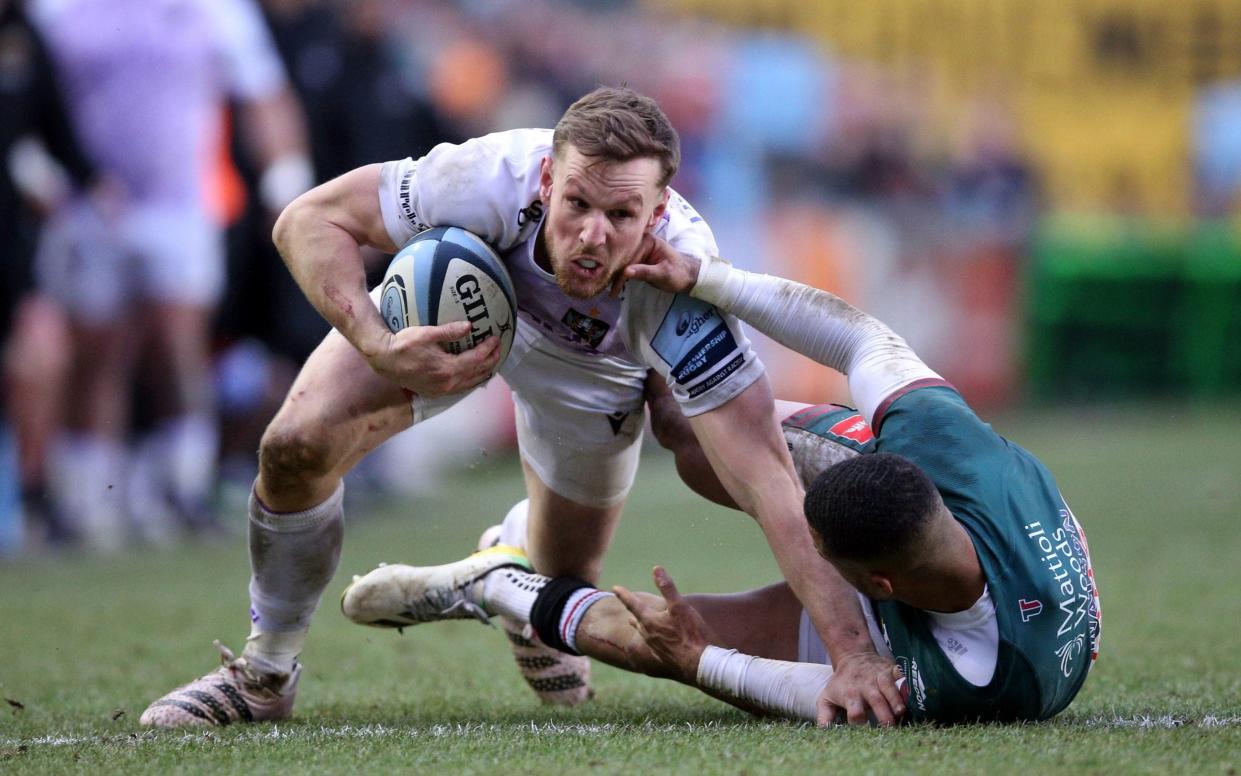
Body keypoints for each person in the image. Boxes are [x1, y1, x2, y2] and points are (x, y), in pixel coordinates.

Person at [139, 87, 902, 727]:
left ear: (658, 210)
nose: (592, 236)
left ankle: (511, 577)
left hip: (598, 379)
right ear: (545, 180)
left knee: (567, 576)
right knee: (294, 446)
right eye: (575, 204)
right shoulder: (486, 176)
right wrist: (373, 340)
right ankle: (263, 675)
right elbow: (306, 220)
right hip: (454, 321)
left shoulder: (682, 284)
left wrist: (855, 656)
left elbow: (766, 476)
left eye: (621, 215)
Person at [341, 244, 1102, 725]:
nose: (792, 549)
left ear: (876, 584)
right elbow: (859, 335)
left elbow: (791, 689)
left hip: (933, 624)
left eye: (814, 553)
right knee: (693, 431)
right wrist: (709, 278)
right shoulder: (954, 450)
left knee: (656, 640)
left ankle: (490, 583)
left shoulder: (977, 680)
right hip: (932, 528)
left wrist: (695, 663)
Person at [28, 0, 312, 548]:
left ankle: (181, 486)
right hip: (85, 202)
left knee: (178, 342)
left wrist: (285, 175)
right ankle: (88, 499)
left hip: (180, 200)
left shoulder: (215, 8)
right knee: (96, 351)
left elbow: (264, 94)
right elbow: (32, 90)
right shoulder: (56, 8)